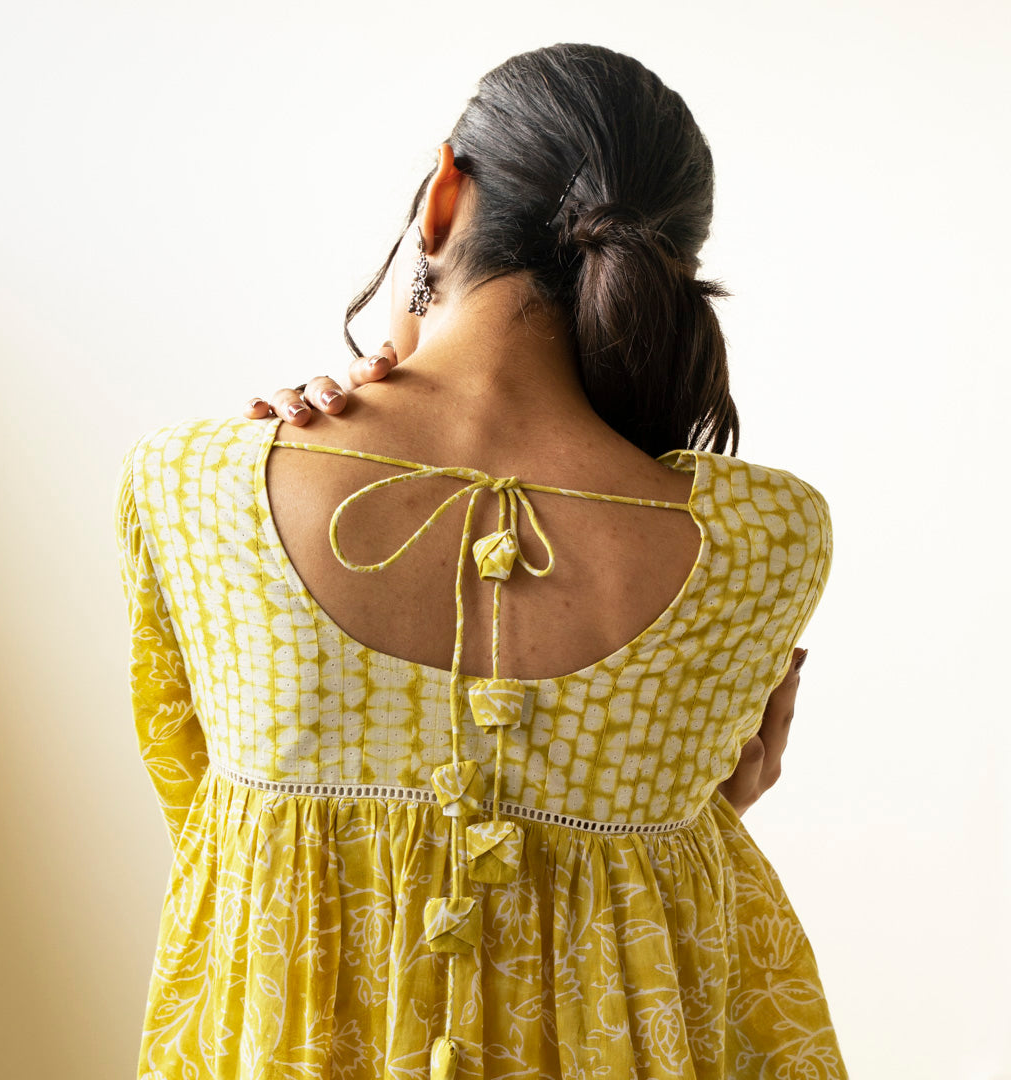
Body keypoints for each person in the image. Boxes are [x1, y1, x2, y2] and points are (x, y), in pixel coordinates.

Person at [115, 43, 845, 1080]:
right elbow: (695, 866)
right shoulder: (760, 539)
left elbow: (210, 841)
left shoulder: (196, 487)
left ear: (446, 192)